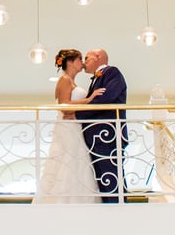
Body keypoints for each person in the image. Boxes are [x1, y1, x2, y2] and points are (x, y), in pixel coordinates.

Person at [33, 48, 105, 203]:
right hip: (68, 127)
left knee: (78, 162)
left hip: (75, 127)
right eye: (80, 59)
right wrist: (89, 100)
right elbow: (64, 106)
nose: (82, 63)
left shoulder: (71, 82)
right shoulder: (64, 80)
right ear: (71, 62)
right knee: (67, 159)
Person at [76, 48, 128, 203]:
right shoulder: (96, 79)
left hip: (107, 135)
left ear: (97, 57)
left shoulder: (112, 72)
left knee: (110, 176)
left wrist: (78, 114)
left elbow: (105, 99)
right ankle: (110, 208)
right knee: (102, 178)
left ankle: (118, 209)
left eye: (87, 58)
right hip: (97, 137)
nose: (84, 62)